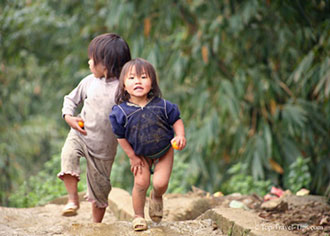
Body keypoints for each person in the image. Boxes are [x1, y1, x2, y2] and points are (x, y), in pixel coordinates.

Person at [57, 33, 131, 223]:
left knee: (100, 189)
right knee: (68, 156)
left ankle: (95, 225)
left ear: (105, 64)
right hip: (80, 134)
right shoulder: (88, 82)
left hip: (104, 148)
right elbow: (70, 99)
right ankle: (73, 200)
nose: (89, 63)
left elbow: (132, 116)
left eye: (93, 59)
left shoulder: (124, 89)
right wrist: (69, 117)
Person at [109, 58, 186, 231]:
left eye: (143, 77)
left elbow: (176, 120)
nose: (138, 81)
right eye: (132, 78)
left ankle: (157, 196)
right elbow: (120, 136)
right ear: (123, 85)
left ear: (152, 83)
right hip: (140, 154)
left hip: (164, 151)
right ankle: (138, 216)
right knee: (141, 183)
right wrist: (132, 157)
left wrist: (180, 136)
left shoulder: (163, 106)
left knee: (160, 183)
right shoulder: (120, 112)